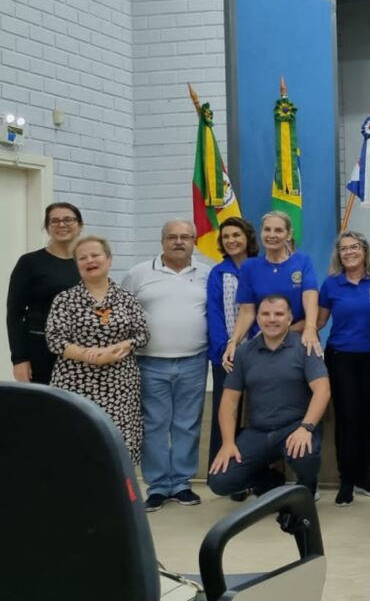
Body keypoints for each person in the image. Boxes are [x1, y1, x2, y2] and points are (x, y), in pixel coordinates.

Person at [121, 220, 210, 512]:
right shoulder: (138, 274)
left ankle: (182, 484)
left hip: (194, 359)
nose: (179, 242)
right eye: (172, 237)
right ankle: (158, 486)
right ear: (162, 242)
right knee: (155, 425)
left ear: (194, 241)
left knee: (187, 423)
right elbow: (124, 313)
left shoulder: (207, 273)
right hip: (149, 361)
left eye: (185, 237)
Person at [208, 293, 331, 500]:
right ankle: (270, 481)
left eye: (278, 314)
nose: (271, 319)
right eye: (265, 314)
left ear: (289, 319)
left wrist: (306, 428)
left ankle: (307, 488)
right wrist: (228, 443)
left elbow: (322, 390)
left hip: (295, 427)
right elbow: (229, 401)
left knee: (306, 456)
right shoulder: (244, 353)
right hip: (258, 432)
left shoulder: (305, 347)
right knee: (220, 481)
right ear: (257, 318)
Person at [45, 236, 149, 462]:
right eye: (82, 258)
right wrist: (88, 355)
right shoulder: (65, 299)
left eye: (95, 255)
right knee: (76, 443)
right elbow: (54, 339)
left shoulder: (127, 299)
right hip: (75, 381)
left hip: (120, 383)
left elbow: (142, 335)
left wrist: (123, 345)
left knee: (117, 445)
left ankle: (116, 496)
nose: (89, 261)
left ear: (109, 259)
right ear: (77, 265)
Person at [317, 231, 370, 507]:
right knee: (346, 418)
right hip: (340, 357)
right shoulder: (331, 285)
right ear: (339, 254)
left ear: (365, 251)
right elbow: (318, 323)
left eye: (354, 247)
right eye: (344, 249)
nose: (349, 252)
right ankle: (346, 480)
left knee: (367, 418)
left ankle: (363, 477)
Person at [223, 211, 320, 371]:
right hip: (264, 341)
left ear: (288, 235)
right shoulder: (249, 267)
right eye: (267, 230)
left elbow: (310, 298)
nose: (272, 235)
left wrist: (310, 328)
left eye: (278, 230)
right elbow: (247, 312)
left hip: (298, 339)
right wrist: (233, 341)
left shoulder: (303, 262)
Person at [206, 217, 258, 481]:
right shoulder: (218, 272)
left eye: (236, 235)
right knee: (226, 413)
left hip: (260, 353)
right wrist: (223, 349)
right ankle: (226, 475)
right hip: (226, 356)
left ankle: (256, 473)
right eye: (226, 237)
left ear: (247, 237)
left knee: (257, 413)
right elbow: (214, 314)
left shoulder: (261, 268)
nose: (231, 240)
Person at [7, 202, 82, 384]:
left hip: (82, 351)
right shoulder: (30, 262)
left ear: (80, 225)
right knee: (45, 409)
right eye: (54, 221)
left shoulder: (87, 262)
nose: (61, 225)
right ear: (47, 228)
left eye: (68, 220)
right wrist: (19, 359)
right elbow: (14, 313)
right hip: (41, 350)